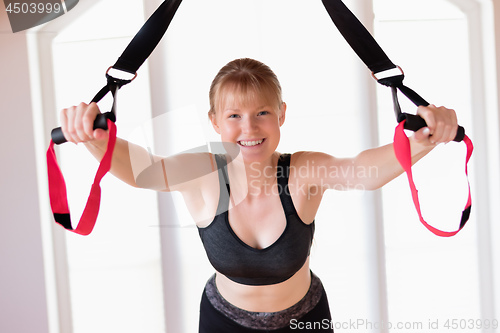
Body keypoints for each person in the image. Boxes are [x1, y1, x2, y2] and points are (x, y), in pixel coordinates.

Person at [59, 58, 459, 332]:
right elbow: (143, 170)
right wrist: (95, 136)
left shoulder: (302, 171)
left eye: (262, 112)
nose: (249, 127)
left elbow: (362, 171)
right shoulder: (202, 173)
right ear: (215, 121)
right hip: (223, 322)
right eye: (234, 115)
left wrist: (424, 140)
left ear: (281, 114)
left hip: (307, 319)